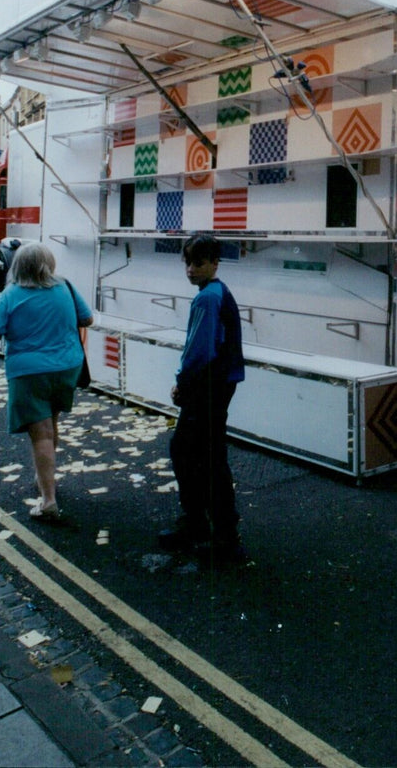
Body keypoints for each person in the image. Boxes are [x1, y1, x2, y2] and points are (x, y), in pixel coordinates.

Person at [0, 243, 92, 521]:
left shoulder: (10, 295)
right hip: (67, 367)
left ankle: (48, 499)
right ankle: (45, 479)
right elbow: (87, 318)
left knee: (41, 433)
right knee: (51, 421)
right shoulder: (65, 286)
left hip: (29, 372)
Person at [159, 233, 246, 564]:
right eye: (188, 263)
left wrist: (182, 383)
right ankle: (210, 527)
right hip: (221, 382)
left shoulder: (207, 298)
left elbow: (199, 350)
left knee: (191, 454)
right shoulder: (218, 292)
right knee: (203, 454)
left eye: (198, 263)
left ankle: (215, 532)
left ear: (214, 263)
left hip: (208, 384)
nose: (191, 269)